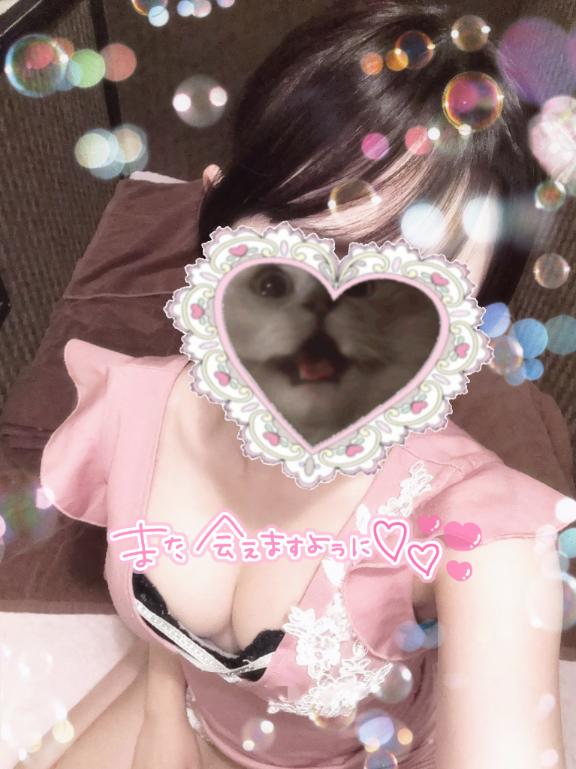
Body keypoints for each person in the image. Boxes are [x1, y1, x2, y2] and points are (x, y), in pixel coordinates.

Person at [34, 2, 575, 769]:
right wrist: (162, 720)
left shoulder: (480, 531)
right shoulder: (135, 407)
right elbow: (162, 626)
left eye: (411, 292)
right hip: (187, 718)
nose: (336, 337)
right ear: (220, 212)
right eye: (311, 248)